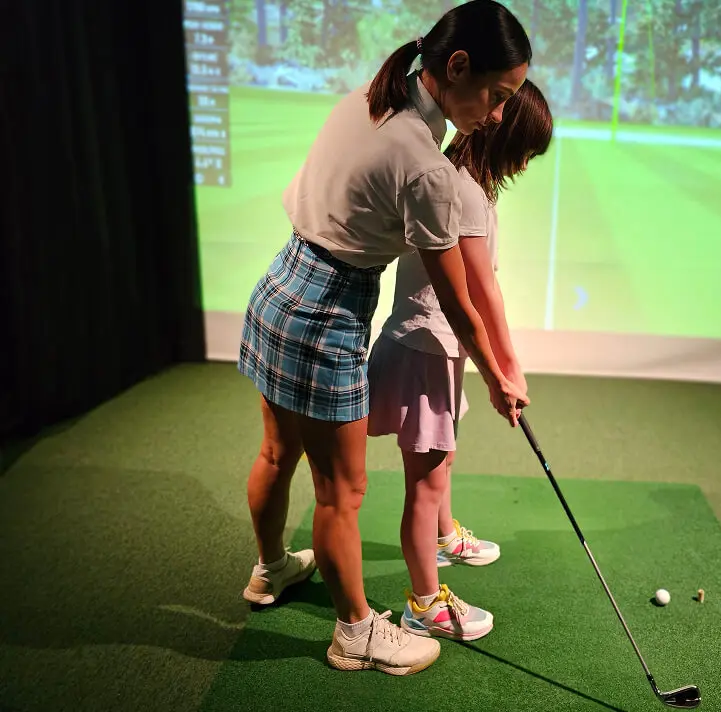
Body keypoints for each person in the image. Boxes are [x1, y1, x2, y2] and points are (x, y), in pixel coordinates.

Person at [235, 0, 532, 677]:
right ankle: (356, 632)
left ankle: (270, 568)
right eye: (496, 95)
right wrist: (497, 377)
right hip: (326, 317)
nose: (496, 115)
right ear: (457, 66)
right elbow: (459, 303)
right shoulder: (425, 165)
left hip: (278, 288)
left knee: (277, 453)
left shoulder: (368, 98)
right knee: (342, 493)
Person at [366, 79, 553, 642]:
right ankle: (425, 604)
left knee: (442, 459)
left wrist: (499, 367)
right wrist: (507, 370)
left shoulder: (473, 184)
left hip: (439, 346)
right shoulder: (463, 189)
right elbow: (482, 290)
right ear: (503, 136)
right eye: (524, 149)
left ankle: (445, 539)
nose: (525, 163)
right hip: (425, 347)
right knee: (424, 483)